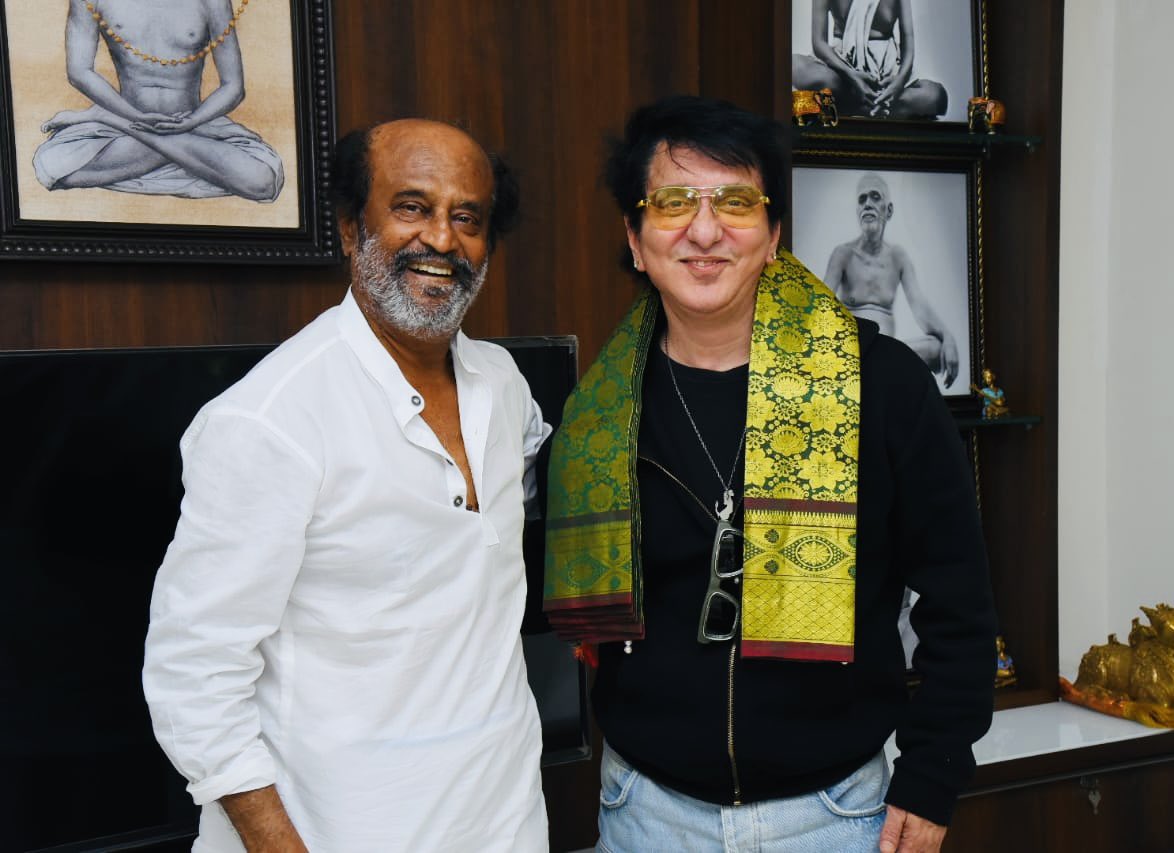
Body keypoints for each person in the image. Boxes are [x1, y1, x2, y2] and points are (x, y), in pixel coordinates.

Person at [543, 95, 996, 853]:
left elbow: (960, 597)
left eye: (736, 202)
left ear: (774, 232)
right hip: (646, 812)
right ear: (634, 238)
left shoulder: (882, 384)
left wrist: (934, 770)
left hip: (834, 816)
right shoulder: (597, 416)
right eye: (674, 202)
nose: (705, 230)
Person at [143, 118, 551, 852]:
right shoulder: (270, 420)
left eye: (467, 218)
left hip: (504, 819)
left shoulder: (504, 386)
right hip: (336, 829)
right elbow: (194, 674)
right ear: (347, 228)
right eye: (412, 207)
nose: (442, 239)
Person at [34, 0, 283, 201]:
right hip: (127, 123)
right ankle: (179, 151)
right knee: (51, 166)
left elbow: (233, 87)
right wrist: (134, 116)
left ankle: (106, 117)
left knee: (264, 183)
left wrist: (193, 121)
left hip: (195, 123)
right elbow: (79, 72)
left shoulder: (213, 2)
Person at [825, 172, 961, 388]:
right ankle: (878, 375)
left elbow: (921, 310)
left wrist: (949, 338)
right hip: (852, 353)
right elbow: (821, 309)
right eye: (862, 199)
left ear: (888, 210)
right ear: (858, 211)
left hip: (887, 352)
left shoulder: (898, 256)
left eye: (875, 197)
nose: (867, 204)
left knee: (936, 349)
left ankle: (877, 374)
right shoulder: (843, 254)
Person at [792, 0, 946, 119]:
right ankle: (879, 108)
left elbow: (908, 43)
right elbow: (819, 43)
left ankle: (844, 105)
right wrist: (851, 75)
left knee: (934, 95)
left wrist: (899, 82)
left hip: (886, 70)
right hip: (842, 65)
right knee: (794, 65)